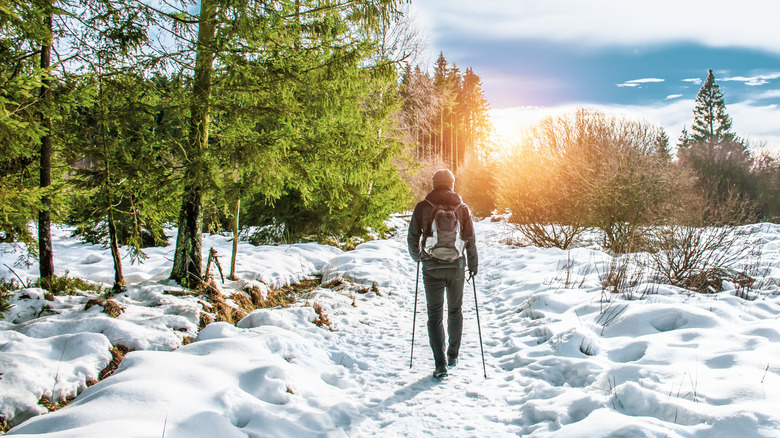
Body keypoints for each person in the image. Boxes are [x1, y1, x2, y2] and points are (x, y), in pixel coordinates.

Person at [407, 169, 478, 378]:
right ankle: (453, 354)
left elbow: (412, 237)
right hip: (456, 267)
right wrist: (473, 265)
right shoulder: (462, 208)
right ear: (452, 184)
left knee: (434, 316)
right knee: (455, 311)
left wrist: (418, 257)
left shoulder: (423, 207)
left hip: (431, 268)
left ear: (434, 184)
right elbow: (470, 239)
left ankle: (441, 364)